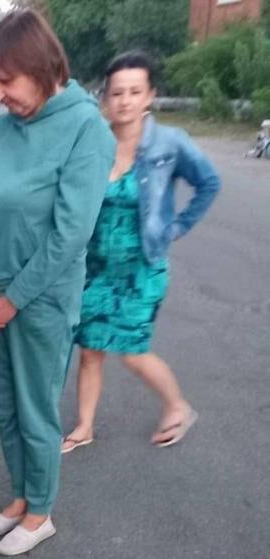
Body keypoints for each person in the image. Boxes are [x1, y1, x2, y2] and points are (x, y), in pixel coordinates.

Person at [0, 9, 116, 555]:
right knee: (3, 406)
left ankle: (42, 510)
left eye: (6, 81)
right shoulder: (0, 131)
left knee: (35, 409)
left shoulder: (85, 129)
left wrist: (12, 301)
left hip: (40, 300)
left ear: (42, 67)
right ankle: (21, 498)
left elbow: (71, 233)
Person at [62, 51, 220, 454]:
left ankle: (178, 406)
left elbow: (208, 183)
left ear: (149, 95)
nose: (125, 100)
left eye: (135, 91)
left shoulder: (169, 143)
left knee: (132, 351)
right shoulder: (94, 141)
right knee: (91, 350)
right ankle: (83, 427)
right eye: (117, 92)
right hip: (95, 266)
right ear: (106, 98)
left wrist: (178, 227)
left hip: (143, 268)